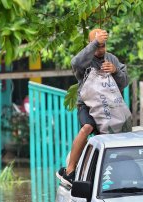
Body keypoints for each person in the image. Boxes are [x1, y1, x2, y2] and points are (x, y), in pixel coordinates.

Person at [56, 28, 129, 186]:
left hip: (109, 109)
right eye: (97, 46)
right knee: (87, 127)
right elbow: (74, 63)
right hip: (87, 106)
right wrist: (96, 42)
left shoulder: (112, 60)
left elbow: (124, 82)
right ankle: (69, 171)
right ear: (91, 44)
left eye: (103, 46)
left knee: (116, 138)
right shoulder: (85, 59)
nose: (101, 49)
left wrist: (115, 72)